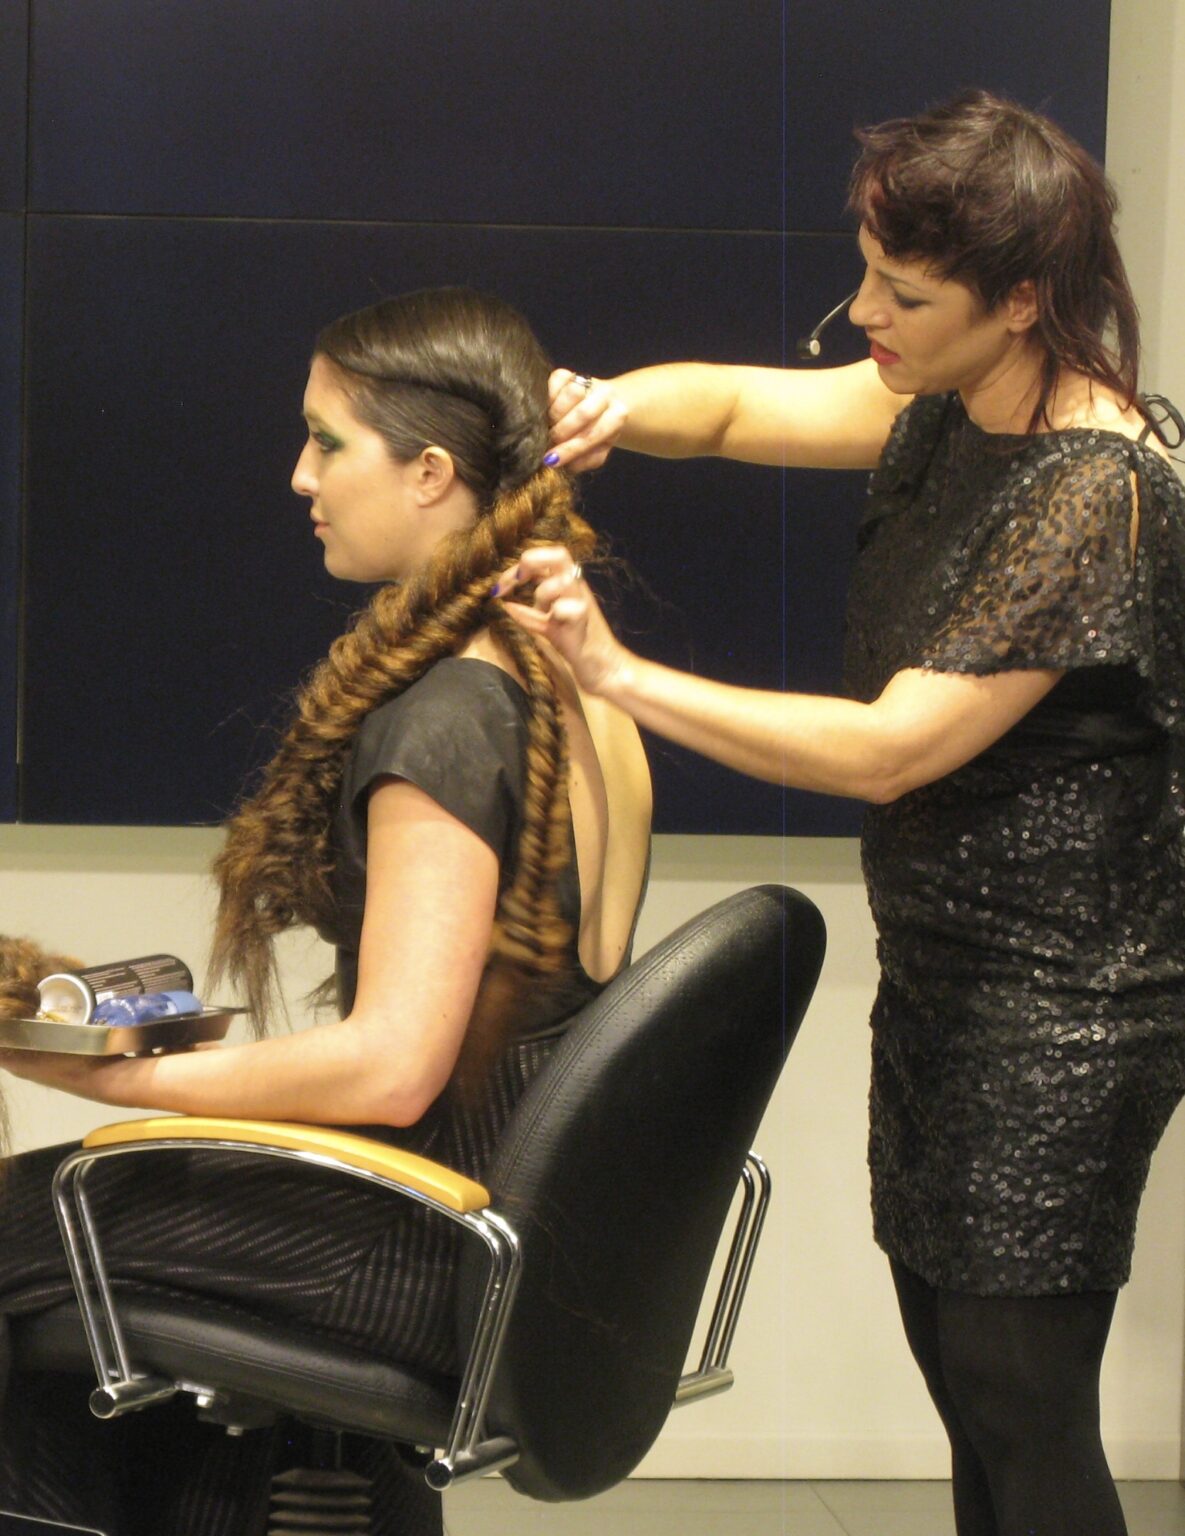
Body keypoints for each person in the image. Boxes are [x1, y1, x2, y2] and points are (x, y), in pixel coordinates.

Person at [498, 91, 1185, 1536]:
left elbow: (888, 751)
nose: (859, 309)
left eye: (902, 291)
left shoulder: (1095, 490)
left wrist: (614, 672)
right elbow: (743, 409)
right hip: (951, 972)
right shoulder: (948, 400)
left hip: (1070, 998)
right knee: (960, 1366)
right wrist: (609, 407)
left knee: (1018, 1386)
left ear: (1018, 304)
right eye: (865, 266)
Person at [0, 287, 652, 1536]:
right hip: (496, 1243)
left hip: (409, 1248)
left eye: (326, 441)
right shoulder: (578, 684)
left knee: (25, 1227)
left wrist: (103, 1082)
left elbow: (392, 1067)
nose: (300, 476)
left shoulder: (449, 717)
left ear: (429, 472)